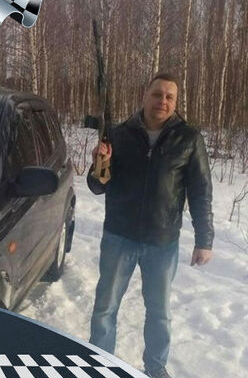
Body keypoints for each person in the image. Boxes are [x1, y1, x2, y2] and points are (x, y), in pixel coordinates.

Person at [87, 72, 214, 378]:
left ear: (176, 102)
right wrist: (99, 164)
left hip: (162, 241)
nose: (163, 101)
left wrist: (204, 239)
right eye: (157, 94)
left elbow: (201, 191)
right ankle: (99, 364)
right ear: (145, 95)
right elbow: (98, 186)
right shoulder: (119, 134)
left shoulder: (189, 139)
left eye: (170, 97)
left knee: (159, 313)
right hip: (119, 235)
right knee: (105, 308)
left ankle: (155, 367)